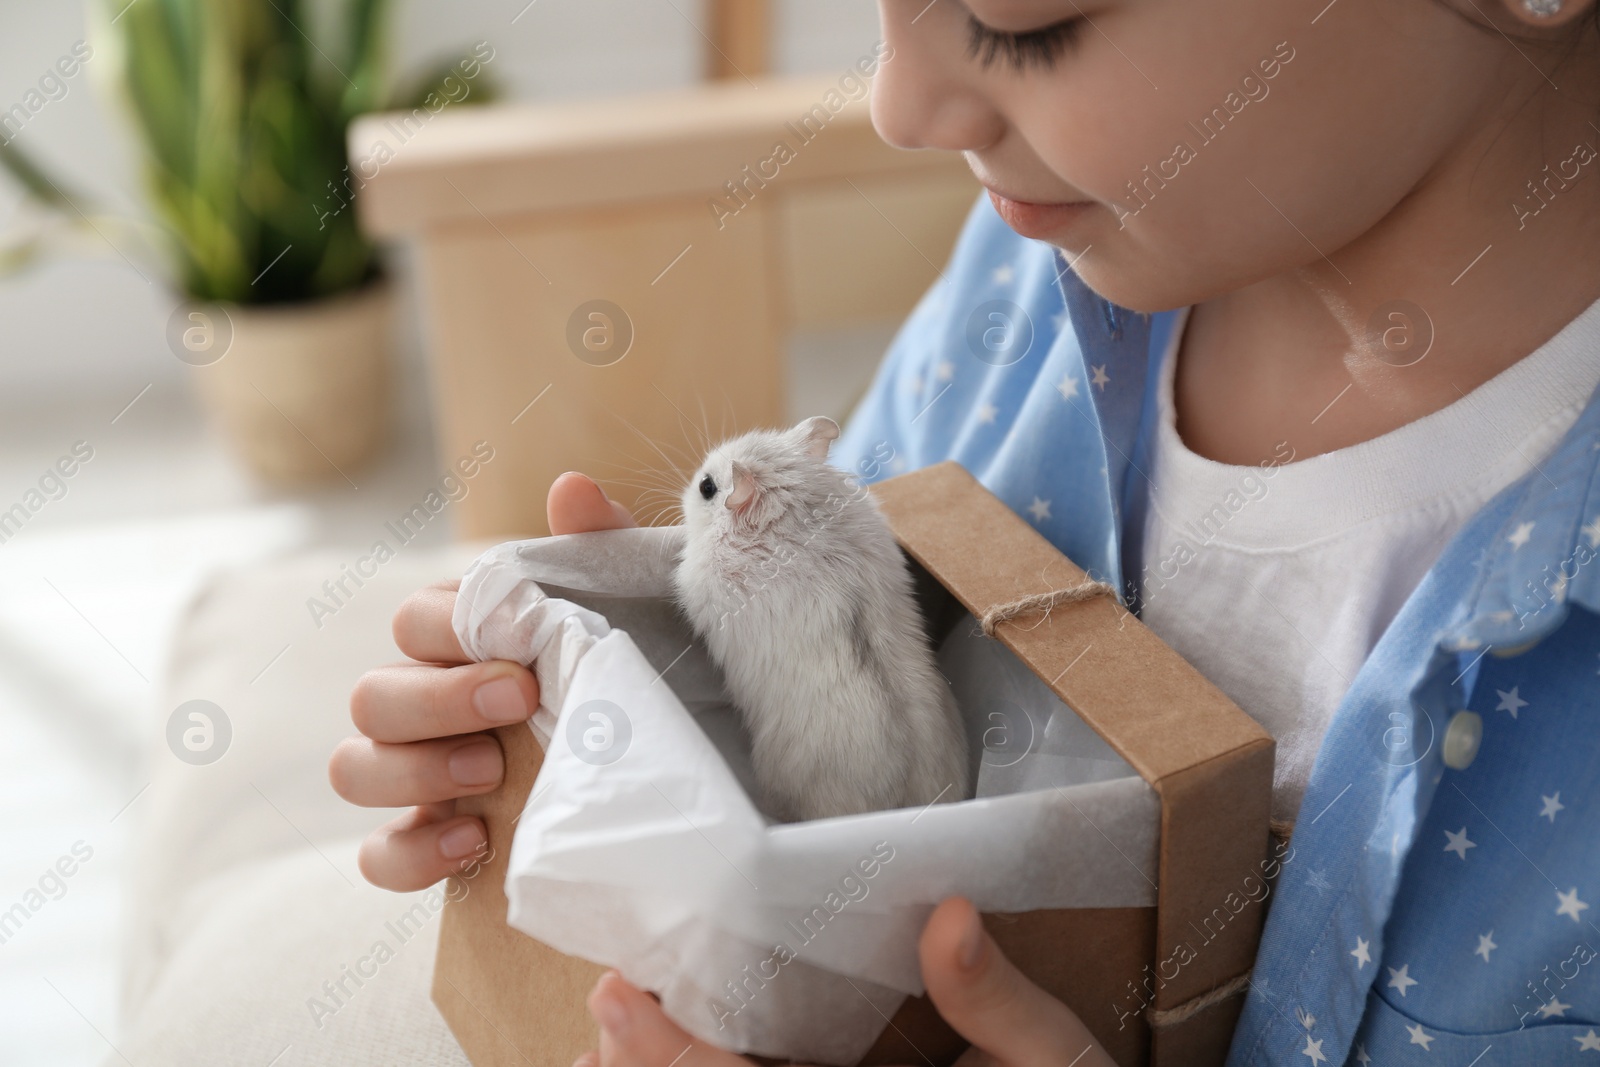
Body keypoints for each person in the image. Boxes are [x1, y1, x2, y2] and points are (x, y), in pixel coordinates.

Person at [330, 0, 1600, 1062]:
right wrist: (634, 725)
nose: (900, 102)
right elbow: (861, 682)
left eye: (1020, 18)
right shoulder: (1022, 290)